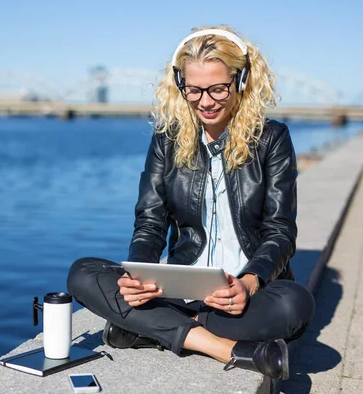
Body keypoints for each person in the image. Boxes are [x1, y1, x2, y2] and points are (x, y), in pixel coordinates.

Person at [67, 25, 315, 380]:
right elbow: (150, 223)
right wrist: (140, 274)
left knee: (296, 304)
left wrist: (249, 282)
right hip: (177, 289)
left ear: (240, 80)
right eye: (193, 90)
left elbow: (280, 232)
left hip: (241, 296)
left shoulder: (272, 138)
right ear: (179, 85)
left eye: (217, 88)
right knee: (83, 272)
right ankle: (223, 346)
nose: (205, 101)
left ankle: (148, 329)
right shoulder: (167, 140)